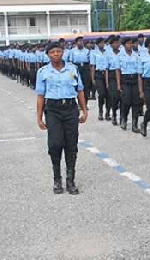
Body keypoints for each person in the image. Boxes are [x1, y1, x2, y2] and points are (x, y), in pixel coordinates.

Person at [35, 42, 89, 195]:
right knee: (55, 144)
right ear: (48, 55)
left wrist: (84, 110)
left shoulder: (73, 69)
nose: (56, 54)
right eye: (52, 52)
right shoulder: (43, 72)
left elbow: (80, 91)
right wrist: (39, 118)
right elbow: (40, 96)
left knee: (71, 144)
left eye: (58, 51)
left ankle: (70, 180)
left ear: (63, 52)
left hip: (70, 108)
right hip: (53, 110)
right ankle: (57, 179)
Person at [116, 37, 141, 133]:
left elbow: (139, 73)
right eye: (128, 43)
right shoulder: (120, 56)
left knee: (136, 102)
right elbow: (118, 71)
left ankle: (135, 124)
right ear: (124, 45)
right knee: (126, 102)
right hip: (125, 79)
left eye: (131, 43)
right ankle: (124, 119)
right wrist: (118, 84)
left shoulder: (136, 55)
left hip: (134, 79)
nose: (130, 45)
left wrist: (140, 87)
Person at [90, 37, 110, 121]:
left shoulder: (108, 52)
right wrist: (92, 78)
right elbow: (93, 66)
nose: (102, 44)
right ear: (97, 44)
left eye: (103, 43)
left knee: (108, 95)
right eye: (100, 43)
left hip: (107, 74)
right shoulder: (94, 53)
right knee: (101, 94)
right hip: (98, 75)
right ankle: (100, 111)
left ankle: (108, 112)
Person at [106, 36, 122, 126]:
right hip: (112, 76)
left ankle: (122, 117)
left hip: (122, 75)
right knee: (114, 97)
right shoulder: (108, 54)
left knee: (122, 98)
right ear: (111, 44)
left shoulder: (122, 53)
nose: (117, 44)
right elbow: (107, 69)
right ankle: (114, 115)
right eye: (115, 43)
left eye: (118, 43)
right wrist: (107, 82)